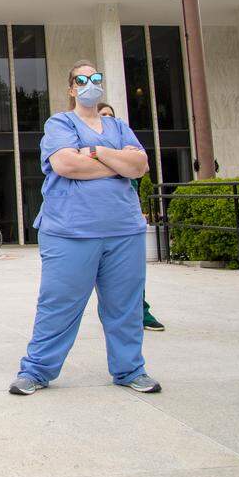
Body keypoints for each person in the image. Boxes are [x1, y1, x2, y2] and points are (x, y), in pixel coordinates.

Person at [10, 60, 161, 396]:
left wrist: (97, 151)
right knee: (59, 304)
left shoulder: (118, 126)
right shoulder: (59, 122)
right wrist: (117, 164)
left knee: (125, 306)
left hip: (124, 231)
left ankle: (129, 370)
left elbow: (140, 165)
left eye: (95, 78)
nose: (89, 83)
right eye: (82, 78)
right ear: (71, 88)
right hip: (70, 232)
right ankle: (36, 371)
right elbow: (65, 164)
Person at [97, 102, 166, 332]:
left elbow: (141, 166)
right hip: (99, 220)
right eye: (102, 115)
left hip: (127, 219)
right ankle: (117, 316)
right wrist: (120, 163)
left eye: (111, 115)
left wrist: (112, 159)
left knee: (133, 274)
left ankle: (141, 313)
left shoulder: (125, 138)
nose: (107, 118)